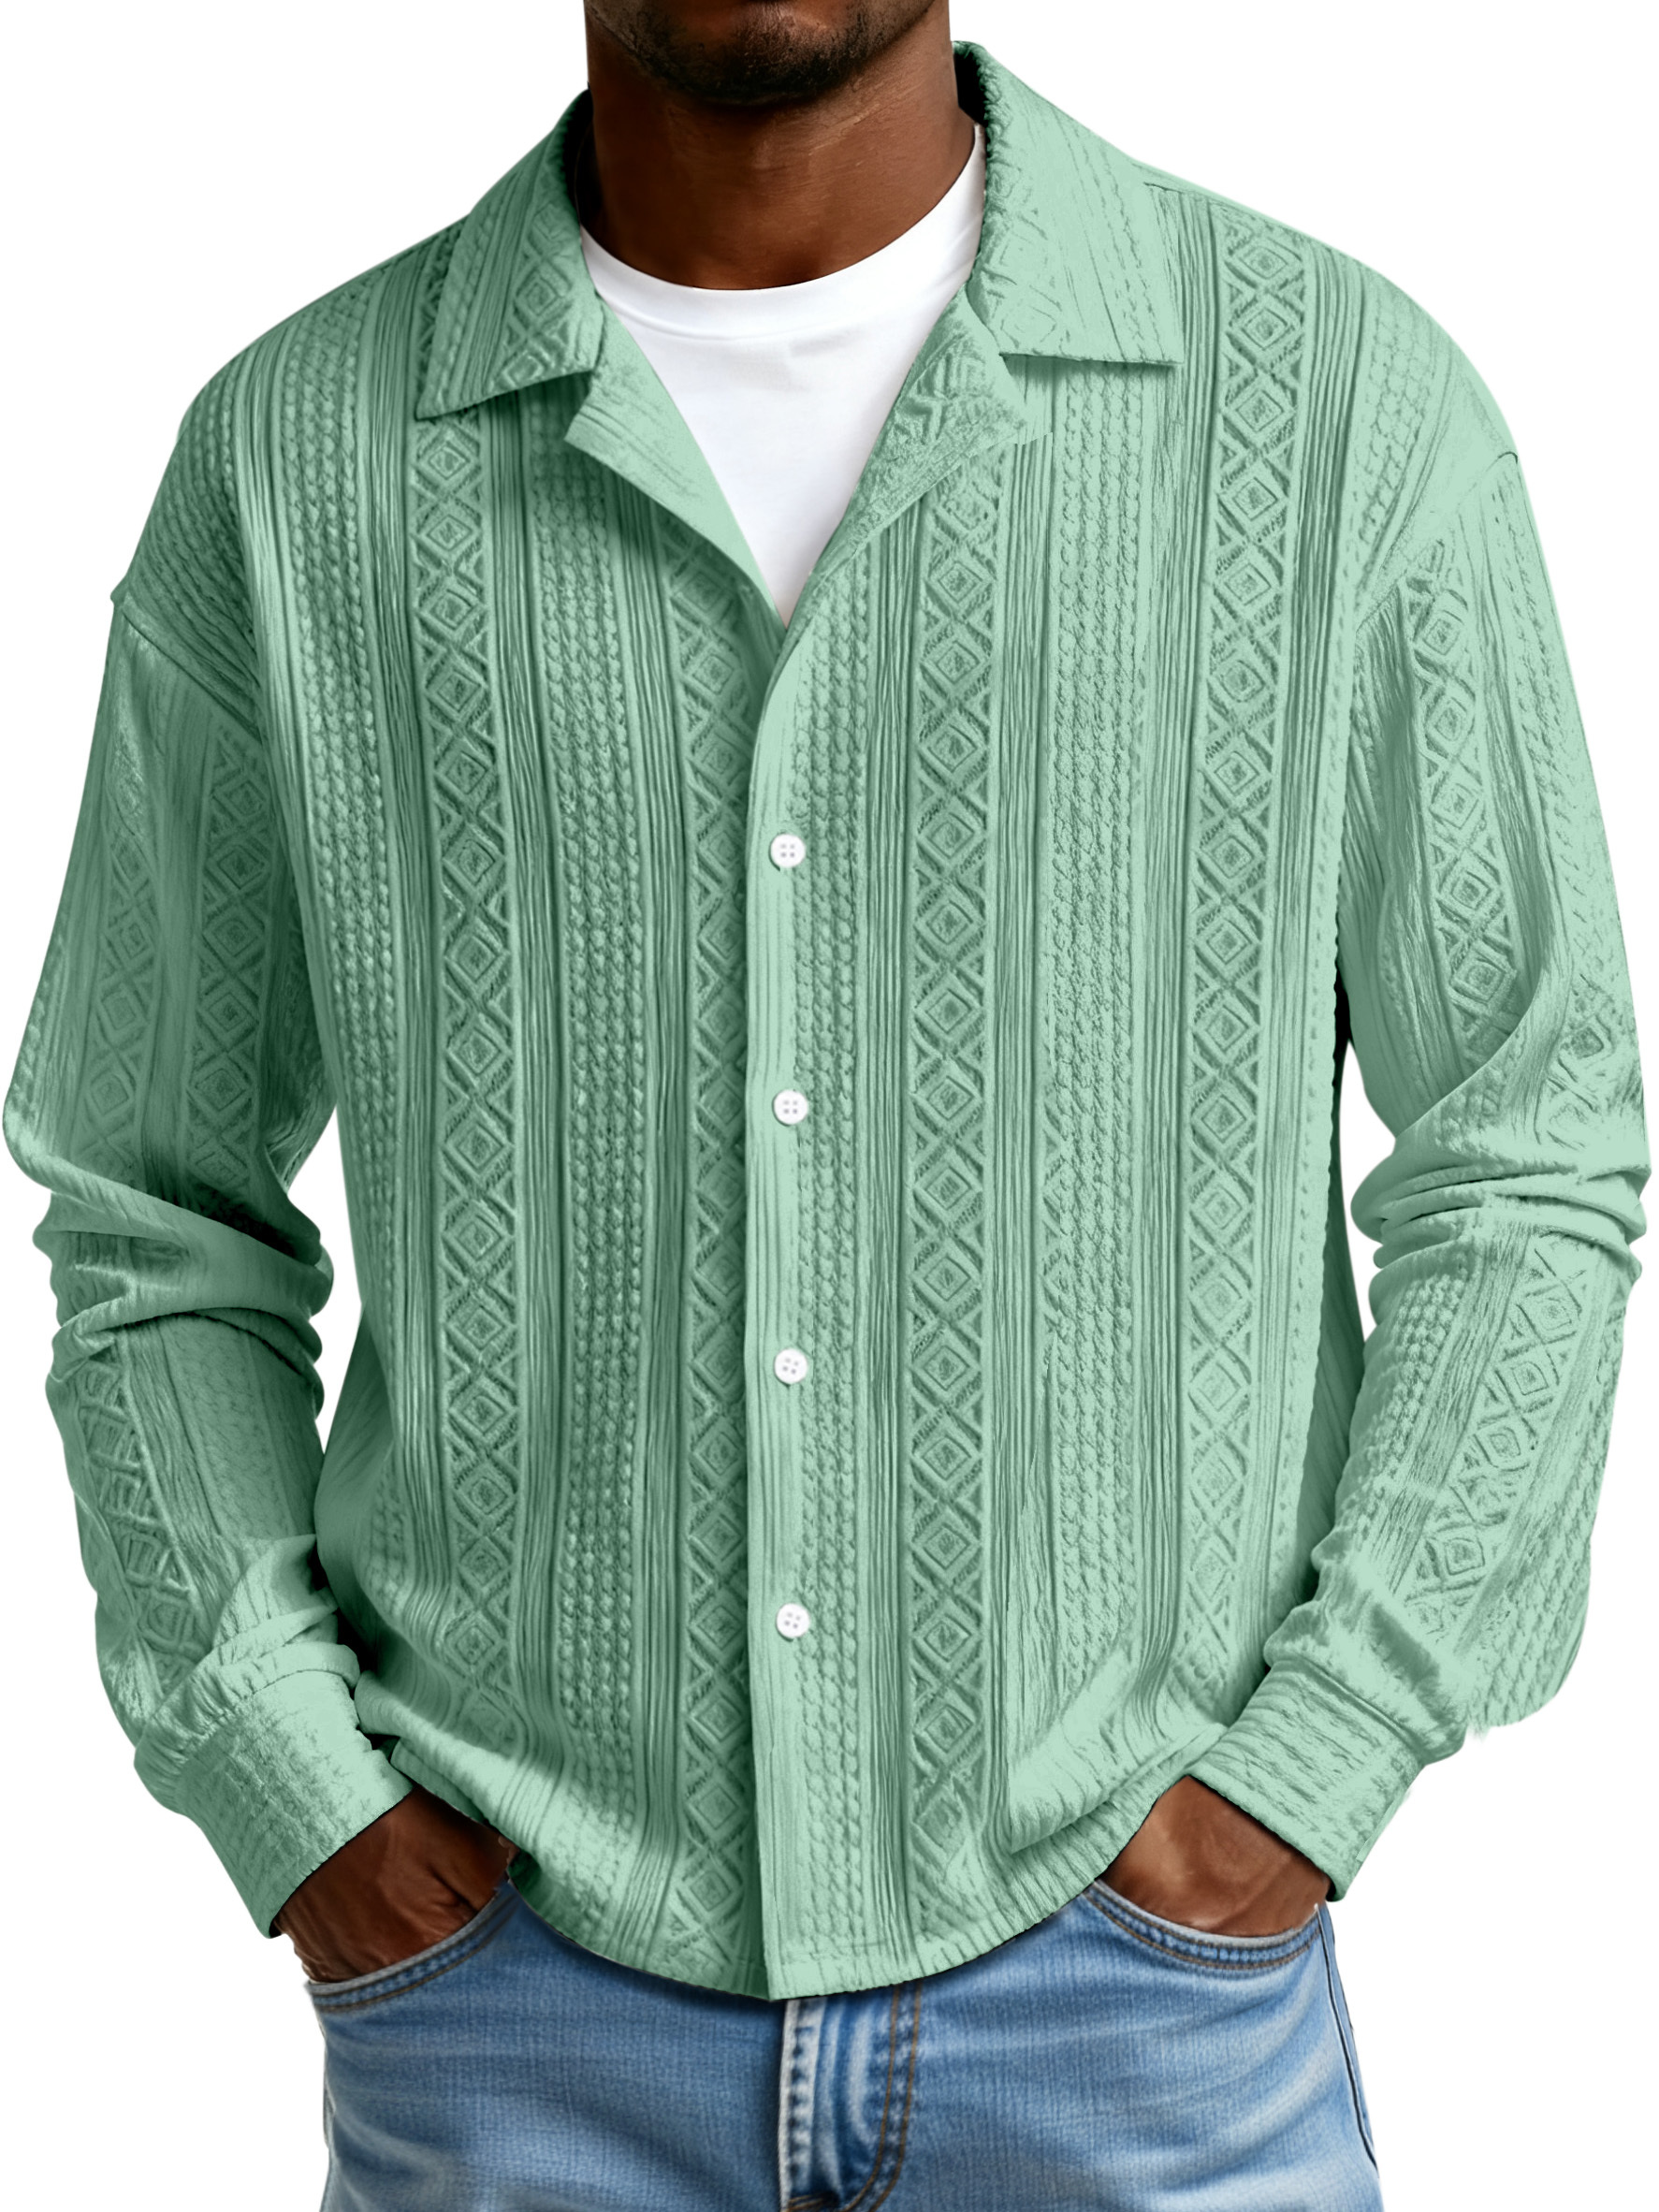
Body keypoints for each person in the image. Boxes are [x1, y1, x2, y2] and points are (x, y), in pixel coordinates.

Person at [5, 3, 1646, 2205]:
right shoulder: (295, 461)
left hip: (1139, 2012)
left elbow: (1523, 1150)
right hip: (511, 2011)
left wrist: (1316, 1759)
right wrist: (294, 1789)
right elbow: (150, 1201)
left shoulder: (1337, 407)